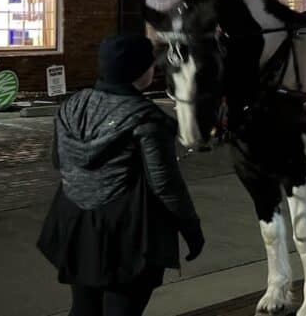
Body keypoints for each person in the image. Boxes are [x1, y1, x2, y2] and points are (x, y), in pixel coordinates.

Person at [38, 34, 204, 316]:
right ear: (138, 71)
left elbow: (58, 159)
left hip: (75, 222)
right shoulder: (146, 119)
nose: (154, 70)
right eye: (150, 64)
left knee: (83, 307)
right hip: (128, 231)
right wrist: (191, 228)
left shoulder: (72, 105)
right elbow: (165, 185)